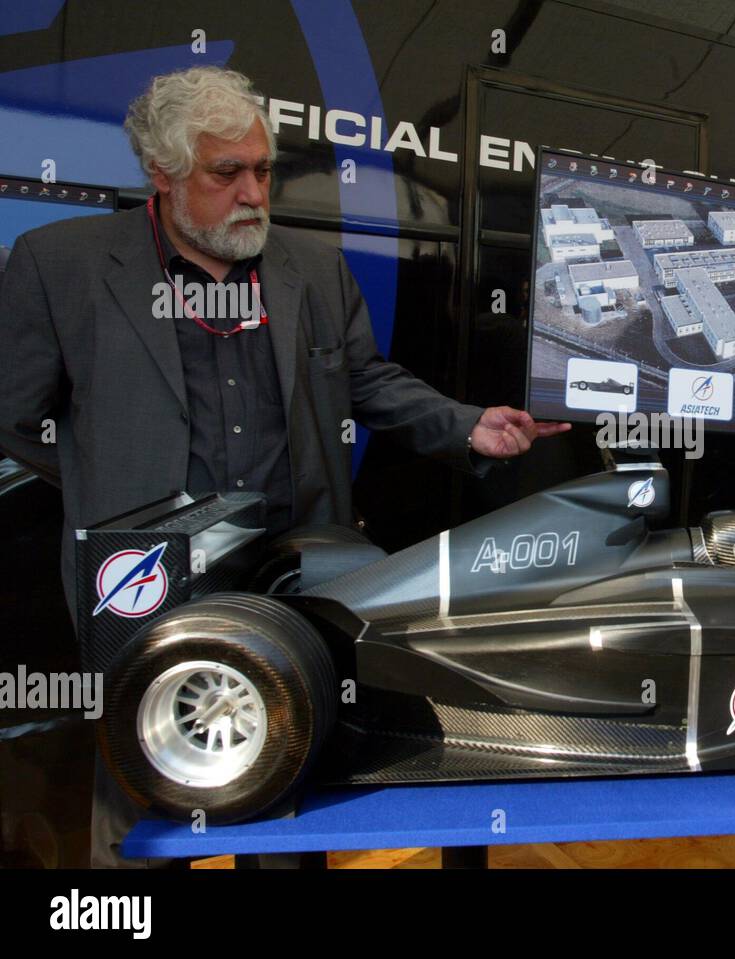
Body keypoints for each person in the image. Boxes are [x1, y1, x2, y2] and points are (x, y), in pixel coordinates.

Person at [0, 66, 568, 867]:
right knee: (137, 790)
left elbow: (367, 380)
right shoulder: (59, 264)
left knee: (288, 776)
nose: (253, 192)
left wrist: (471, 425)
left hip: (291, 574)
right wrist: (113, 488)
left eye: (261, 168)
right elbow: (15, 416)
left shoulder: (310, 267)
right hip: (144, 579)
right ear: (161, 176)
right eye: (225, 173)